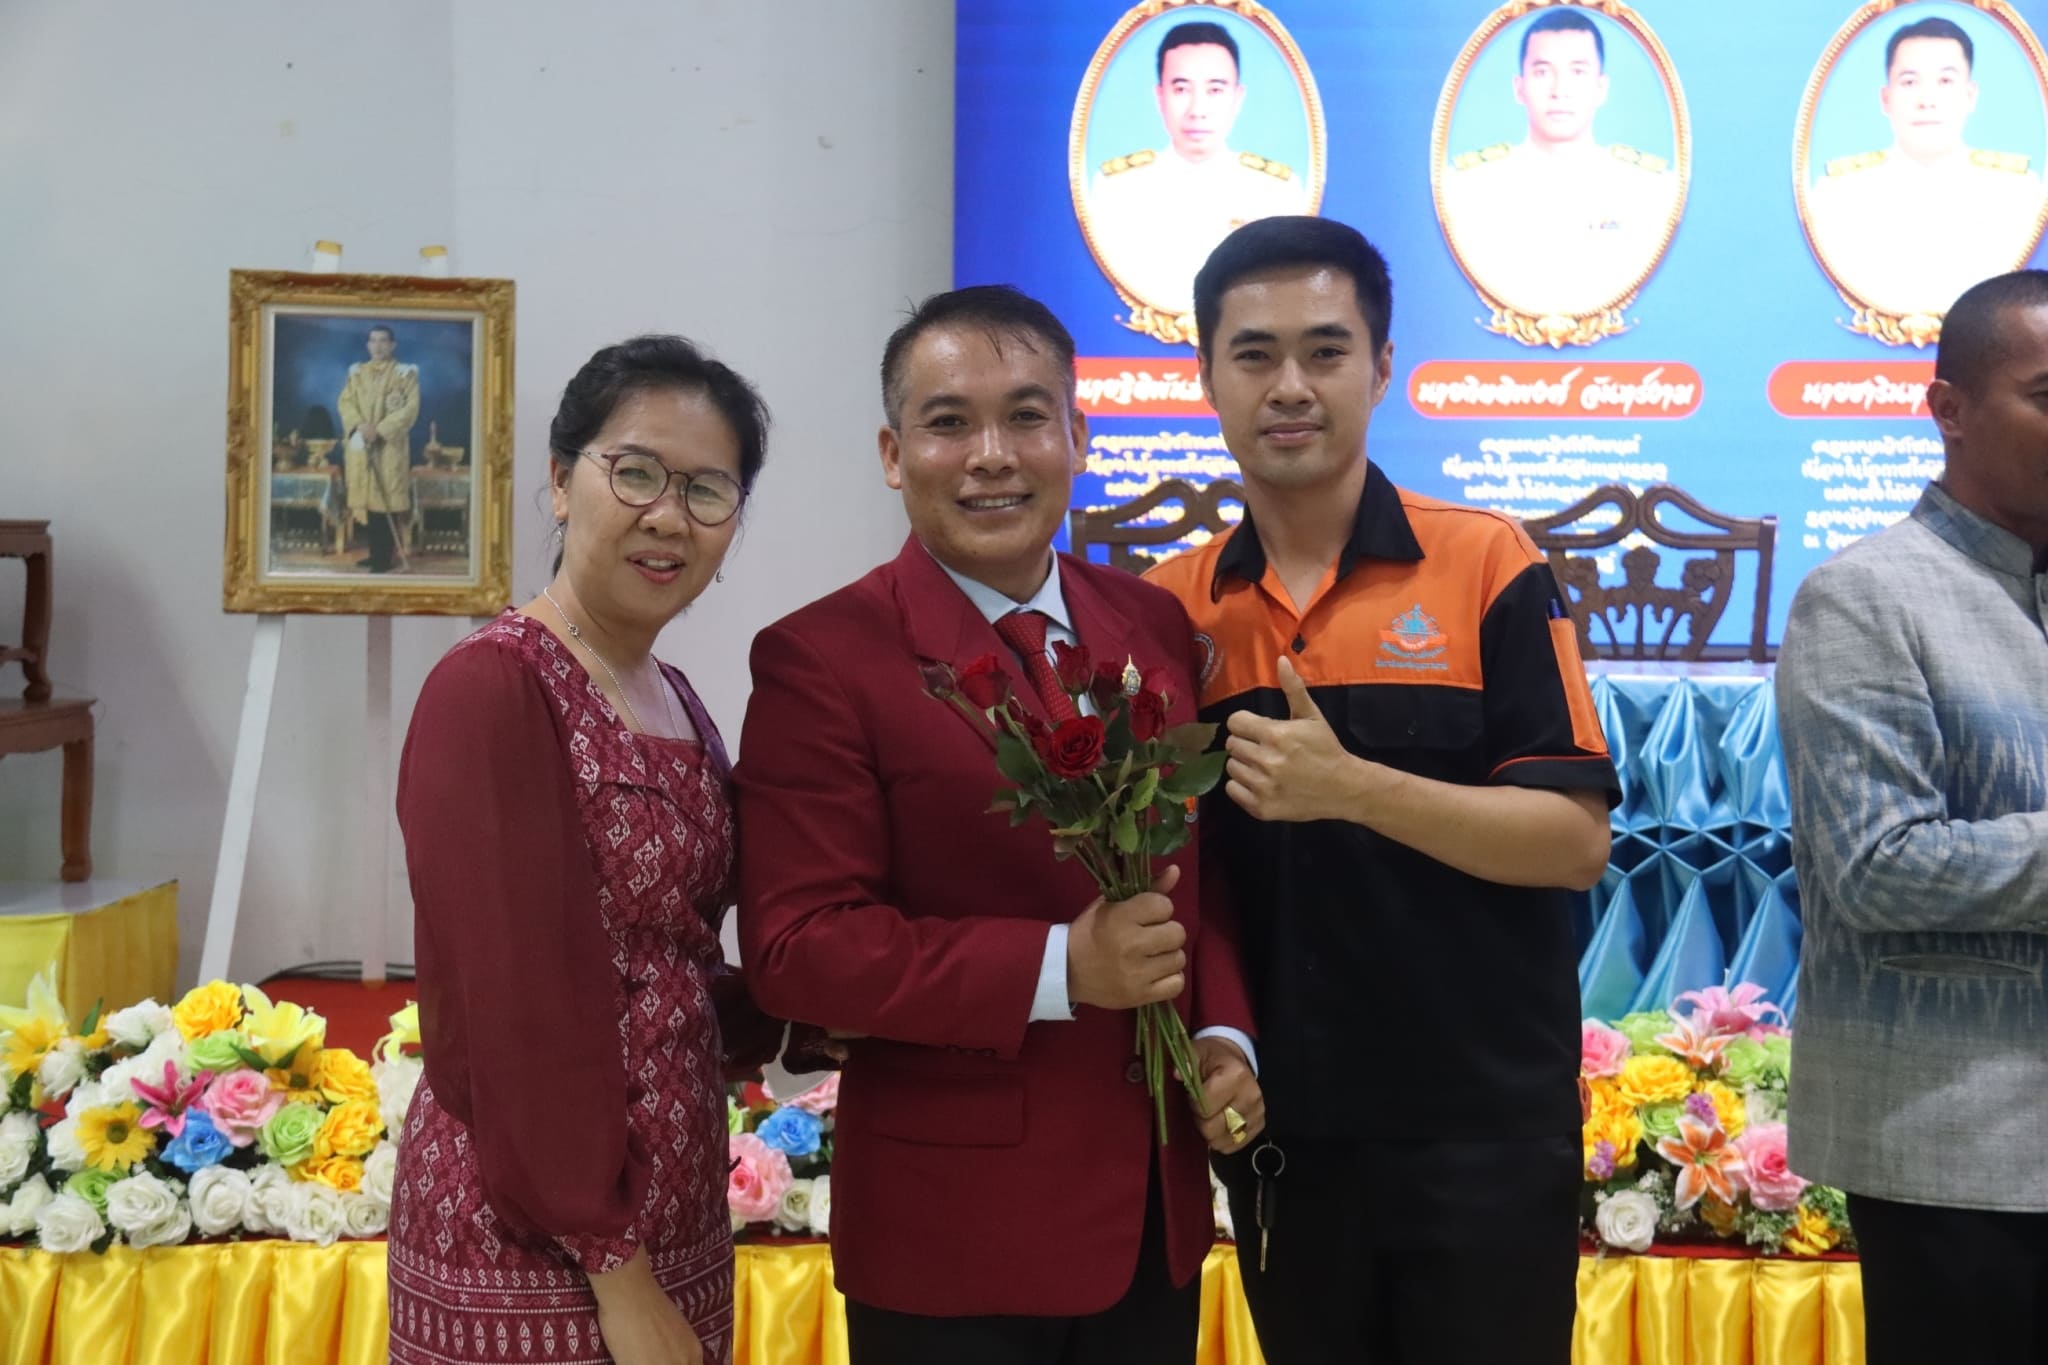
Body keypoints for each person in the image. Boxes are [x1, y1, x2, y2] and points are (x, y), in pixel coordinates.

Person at [736, 285, 1261, 1365]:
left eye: (1026, 416)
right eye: (948, 423)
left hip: (1151, 1223)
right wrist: (1064, 966)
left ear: (1078, 436)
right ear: (893, 455)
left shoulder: (1150, 625)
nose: (990, 455)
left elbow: (1191, 876)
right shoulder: (820, 659)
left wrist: (1221, 1034)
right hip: (953, 1238)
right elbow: (798, 949)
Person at [1144, 216, 1618, 1364]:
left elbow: (1570, 842)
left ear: (1381, 365)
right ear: (1205, 375)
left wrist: (1353, 788)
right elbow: (1171, 879)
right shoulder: (1167, 611)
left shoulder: (1487, 565)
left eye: (1324, 350)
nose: (1288, 386)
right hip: (1282, 1134)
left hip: (1480, 1131)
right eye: (1252, 354)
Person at [388, 335, 785, 1365]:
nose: (669, 516)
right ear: (562, 482)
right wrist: (616, 1269)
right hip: (537, 1237)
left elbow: (669, 960)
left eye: (707, 491)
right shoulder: (494, 686)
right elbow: (509, 1003)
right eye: (637, 472)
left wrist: (812, 1001)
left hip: (676, 1215)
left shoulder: (673, 693)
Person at [1775, 270, 2048, 1365]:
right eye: (2045, 394)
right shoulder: (1864, 596)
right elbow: (1879, 864)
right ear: (1946, 409)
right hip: (1955, 1146)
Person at [1440, 8, 1679, 316]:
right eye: (1543, 72)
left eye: (1577, 72)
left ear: (1601, 88)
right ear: (1519, 87)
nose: (1559, 91)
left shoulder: (1650, 189)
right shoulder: (1467, 187)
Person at [1806, 15, 2045, 319]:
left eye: (1945, 81)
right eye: (1910, 82)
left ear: (1970, 96)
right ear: (1885, 99)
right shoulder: (1837, 194)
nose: (1927, 100)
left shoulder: (2018, 191)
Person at [1087, 20, 1307, 316]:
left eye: (1215, 90)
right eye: (1181, 89)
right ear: (1160, 97)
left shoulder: (1277, 189)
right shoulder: (1115, 188)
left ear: (1237, 98)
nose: (1197, 110)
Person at [337, 324, 420, 573]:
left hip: (388, 447)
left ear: (392, 345)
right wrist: (359, 425)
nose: (378, 346)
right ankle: (375, 554)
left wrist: (380, 430)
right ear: (368, 345)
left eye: (383, 341)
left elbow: (410, 409)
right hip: (362, 443)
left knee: (386, 501)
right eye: (373, 341)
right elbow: (345, 402)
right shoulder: (357, 373)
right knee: (370, 502)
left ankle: (385, 557)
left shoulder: (405, 374)